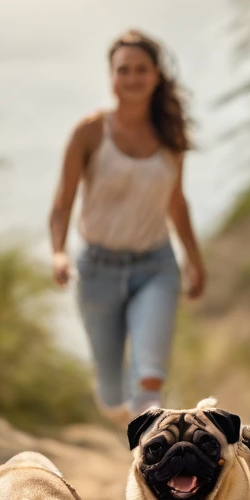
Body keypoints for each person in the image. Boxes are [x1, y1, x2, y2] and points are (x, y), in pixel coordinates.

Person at [49, 29, 206, 423]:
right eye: (124, 70)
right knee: (111, 392)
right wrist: (58, 252)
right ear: (111, 76)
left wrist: (194, 260)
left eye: (141, 69)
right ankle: (136, 417)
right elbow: (62, 204)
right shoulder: (88, 132)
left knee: (149, 376)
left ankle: (153, 441)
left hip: (155, 266)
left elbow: (177, 203)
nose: (133, 78)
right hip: (98, 269)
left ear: (156, 76)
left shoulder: (170, 137)